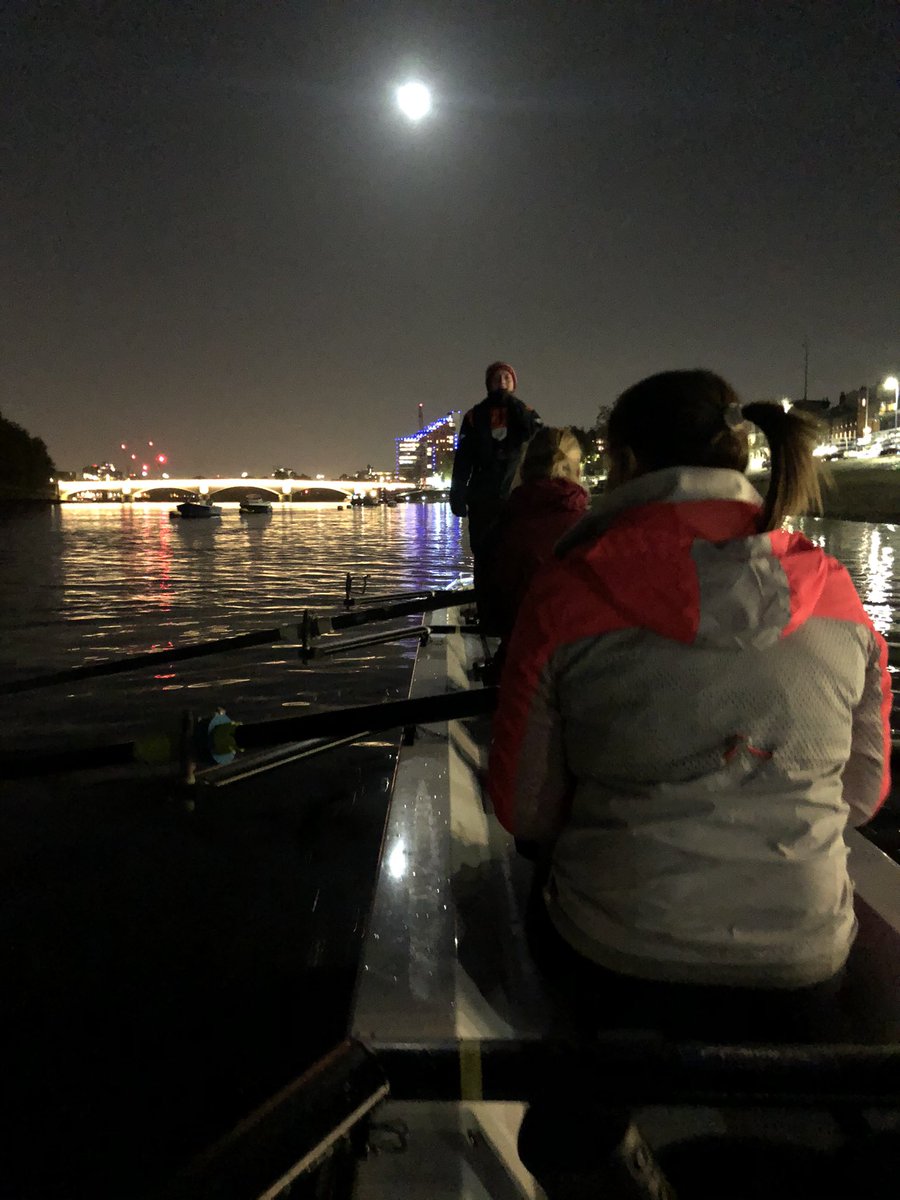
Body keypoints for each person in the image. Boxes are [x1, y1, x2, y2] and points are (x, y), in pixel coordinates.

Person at [486, 369, 892, 1193]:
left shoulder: (570, 590)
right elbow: (863, 796)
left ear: (624, 460)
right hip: (806, 963)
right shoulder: (840, 593)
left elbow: (523, 811)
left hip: (623, 961)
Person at [478, 426, 589, 643]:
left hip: (520, 660)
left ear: (522, 471)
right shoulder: (597, 529)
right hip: (584, 666)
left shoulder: (498, 532)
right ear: (577, 472)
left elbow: (491, 620)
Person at [449, 362, 542, 587]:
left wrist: (513, 405)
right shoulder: (474, 416)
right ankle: (486, 606)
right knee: (484, 554)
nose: (501, 382)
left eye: (506, 378)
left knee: (517, 552)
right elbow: (463, 459)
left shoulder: (525, 412)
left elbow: (537, 440)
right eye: (497, 378)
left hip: (517, 496)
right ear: (488, 384)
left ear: (514, 384)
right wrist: (458, 492)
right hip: (483, 497)